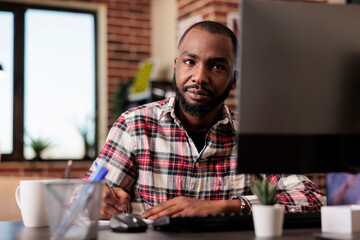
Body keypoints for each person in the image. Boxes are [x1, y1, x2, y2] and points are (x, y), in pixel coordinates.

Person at [85, 21, 327, 220]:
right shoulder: (134, 125)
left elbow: (311, 198)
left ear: (234, 79)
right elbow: (84, 198)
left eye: (217, 67)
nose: (199, 77)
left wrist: (223, 207)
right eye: (190, 62)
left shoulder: (252, 136)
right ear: (176, 67)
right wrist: (98, 202)